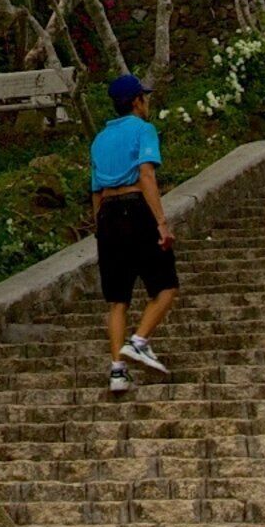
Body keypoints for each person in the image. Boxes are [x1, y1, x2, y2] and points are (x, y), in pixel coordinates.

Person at [91, 73, 178, 395]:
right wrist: (161, 223)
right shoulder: (144, 130)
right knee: (166, 287)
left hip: (108, 217)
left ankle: (117, 370)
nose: (148, 101)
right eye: (145, 97)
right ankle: (139, 341)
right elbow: (146, 175)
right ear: (136, 101)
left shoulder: (99, 139)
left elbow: (96, 191)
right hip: (135, 209)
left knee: (117, 300)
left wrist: (99, 229)